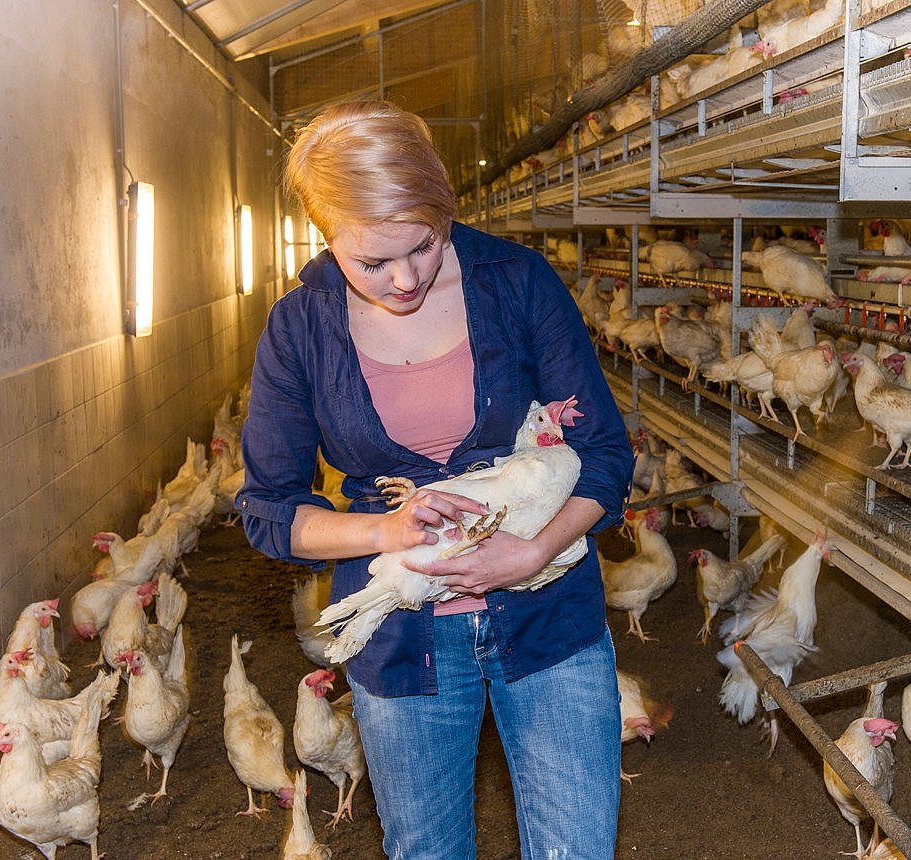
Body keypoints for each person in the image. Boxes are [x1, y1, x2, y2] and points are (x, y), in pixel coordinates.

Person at [236, 99, 633, 859]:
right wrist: (385, 529)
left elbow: (606, 453)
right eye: (371, 262)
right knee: (427, 850)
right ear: (325, 233)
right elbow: (270, 508)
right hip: (401, 633)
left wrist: (530, 552)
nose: (405, 277)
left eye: (422, 245)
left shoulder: (516, 282)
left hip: (548, 617)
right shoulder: (300, 327)